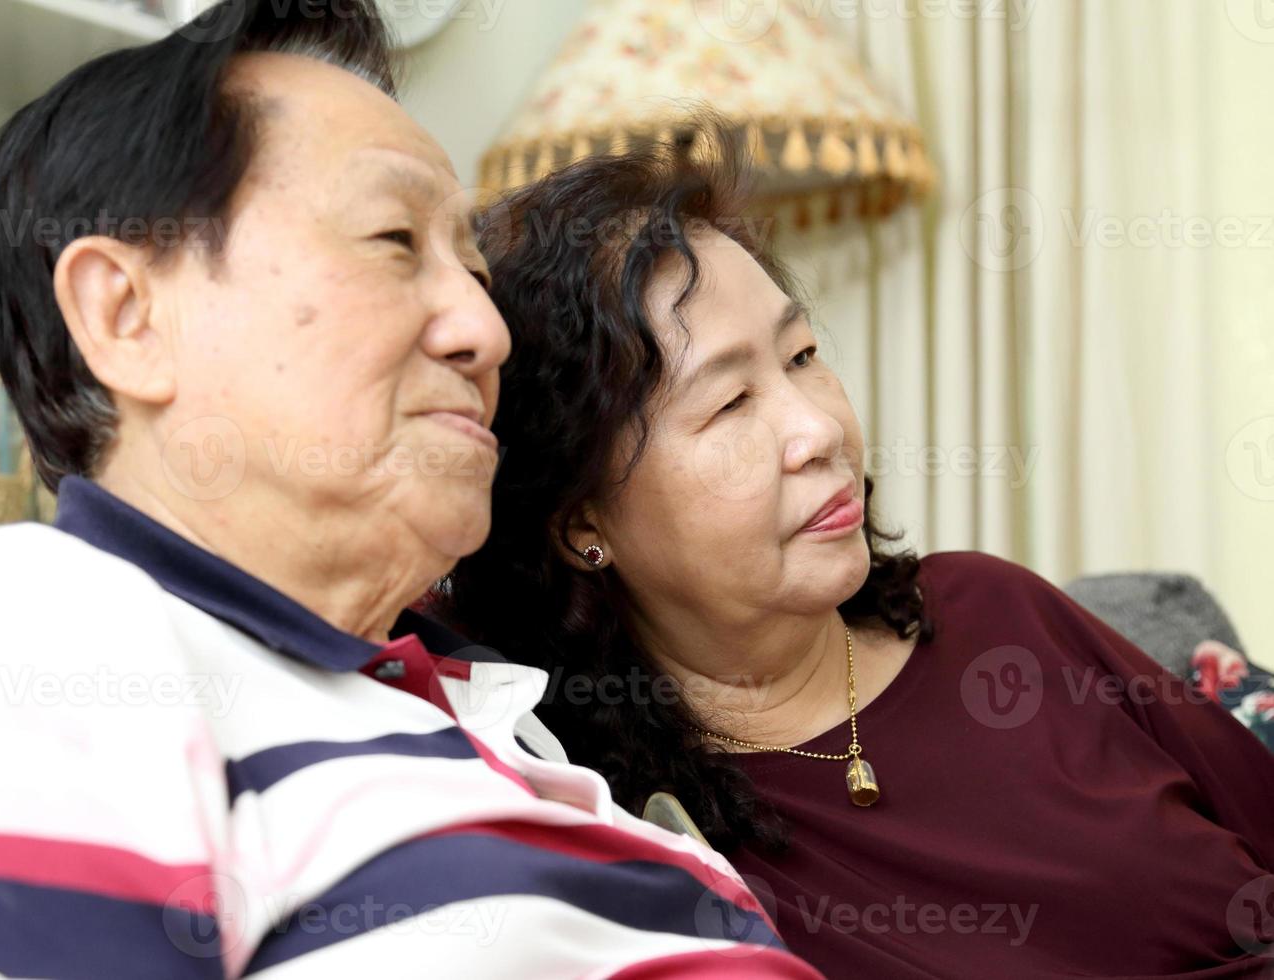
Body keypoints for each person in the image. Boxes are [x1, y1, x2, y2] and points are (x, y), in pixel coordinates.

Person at [0, 6, 823, 977]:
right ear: (125, 315)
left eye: (470, 267)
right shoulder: (48, 628)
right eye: (393, 243)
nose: (487, 330)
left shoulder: (471, 696)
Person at [439, 133, 1274, 978]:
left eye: (803, 355)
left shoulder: (997, 612)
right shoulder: (644, 847)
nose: (820, 430)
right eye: (729, 402)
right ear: (581, 520)